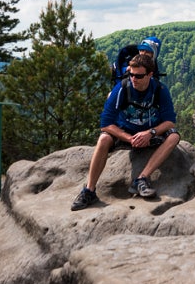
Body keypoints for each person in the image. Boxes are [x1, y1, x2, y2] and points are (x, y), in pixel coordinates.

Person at [71, 53, 179, 210]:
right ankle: (89, 190)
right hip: (125, 133)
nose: (134, 79)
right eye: (131, 75)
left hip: (151, 133)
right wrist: (130, 139)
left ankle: (142, 179)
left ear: (150, 74)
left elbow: (170, 122)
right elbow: (106, 124)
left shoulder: (160, 90)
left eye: (139, 76)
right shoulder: (121, 88)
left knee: (174, 136)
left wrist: (151, 133)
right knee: (103, 139)